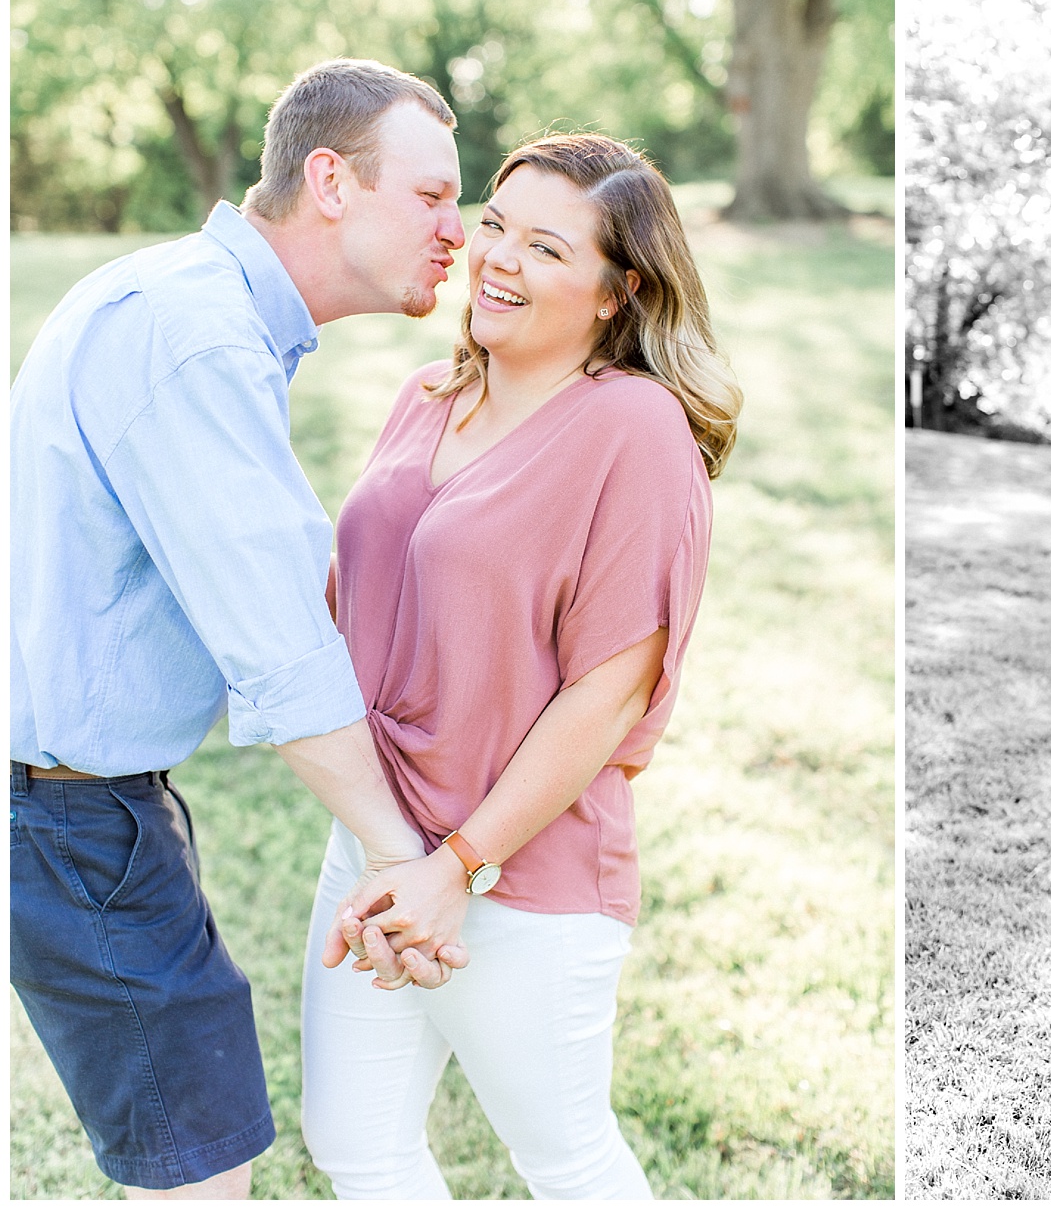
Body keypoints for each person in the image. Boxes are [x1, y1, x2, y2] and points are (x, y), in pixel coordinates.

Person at [10, 58, 474, 1199]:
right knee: (203, 1174)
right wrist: (401, 854)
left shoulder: (187, 303)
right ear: (330, 179)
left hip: (91, 801)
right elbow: (279, 648)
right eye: (431, 197)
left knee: (198, 1157)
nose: (459, 234)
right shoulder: (196, 337)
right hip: (63, 815)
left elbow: (291, 582)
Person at [298, 132, 741, 1199]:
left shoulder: (636, 430)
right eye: (495, 225)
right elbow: (348, 604)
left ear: (614, 291)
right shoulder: (425, 397)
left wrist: (456, 868)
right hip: (372, 851)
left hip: (516, 873)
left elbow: (611, 690)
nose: (496, 258)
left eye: (546, 247)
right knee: (356, 1143)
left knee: (565, 1159)